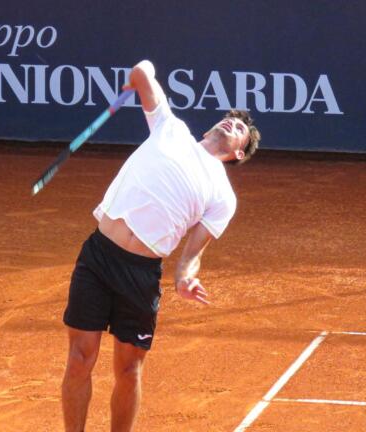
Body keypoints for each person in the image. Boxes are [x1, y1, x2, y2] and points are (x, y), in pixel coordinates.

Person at [61, 59, 261, 432]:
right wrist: (141, 73)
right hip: (98, 257)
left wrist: (184, 278)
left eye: (240, 130)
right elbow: (142, 73)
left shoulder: (223, 196)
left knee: (128, 370)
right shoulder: (171, 128)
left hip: (140, 275)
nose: (231, 124)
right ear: (211, 126)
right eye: (228, 119)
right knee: (79, 359)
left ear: (238, 154)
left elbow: (192, 254)